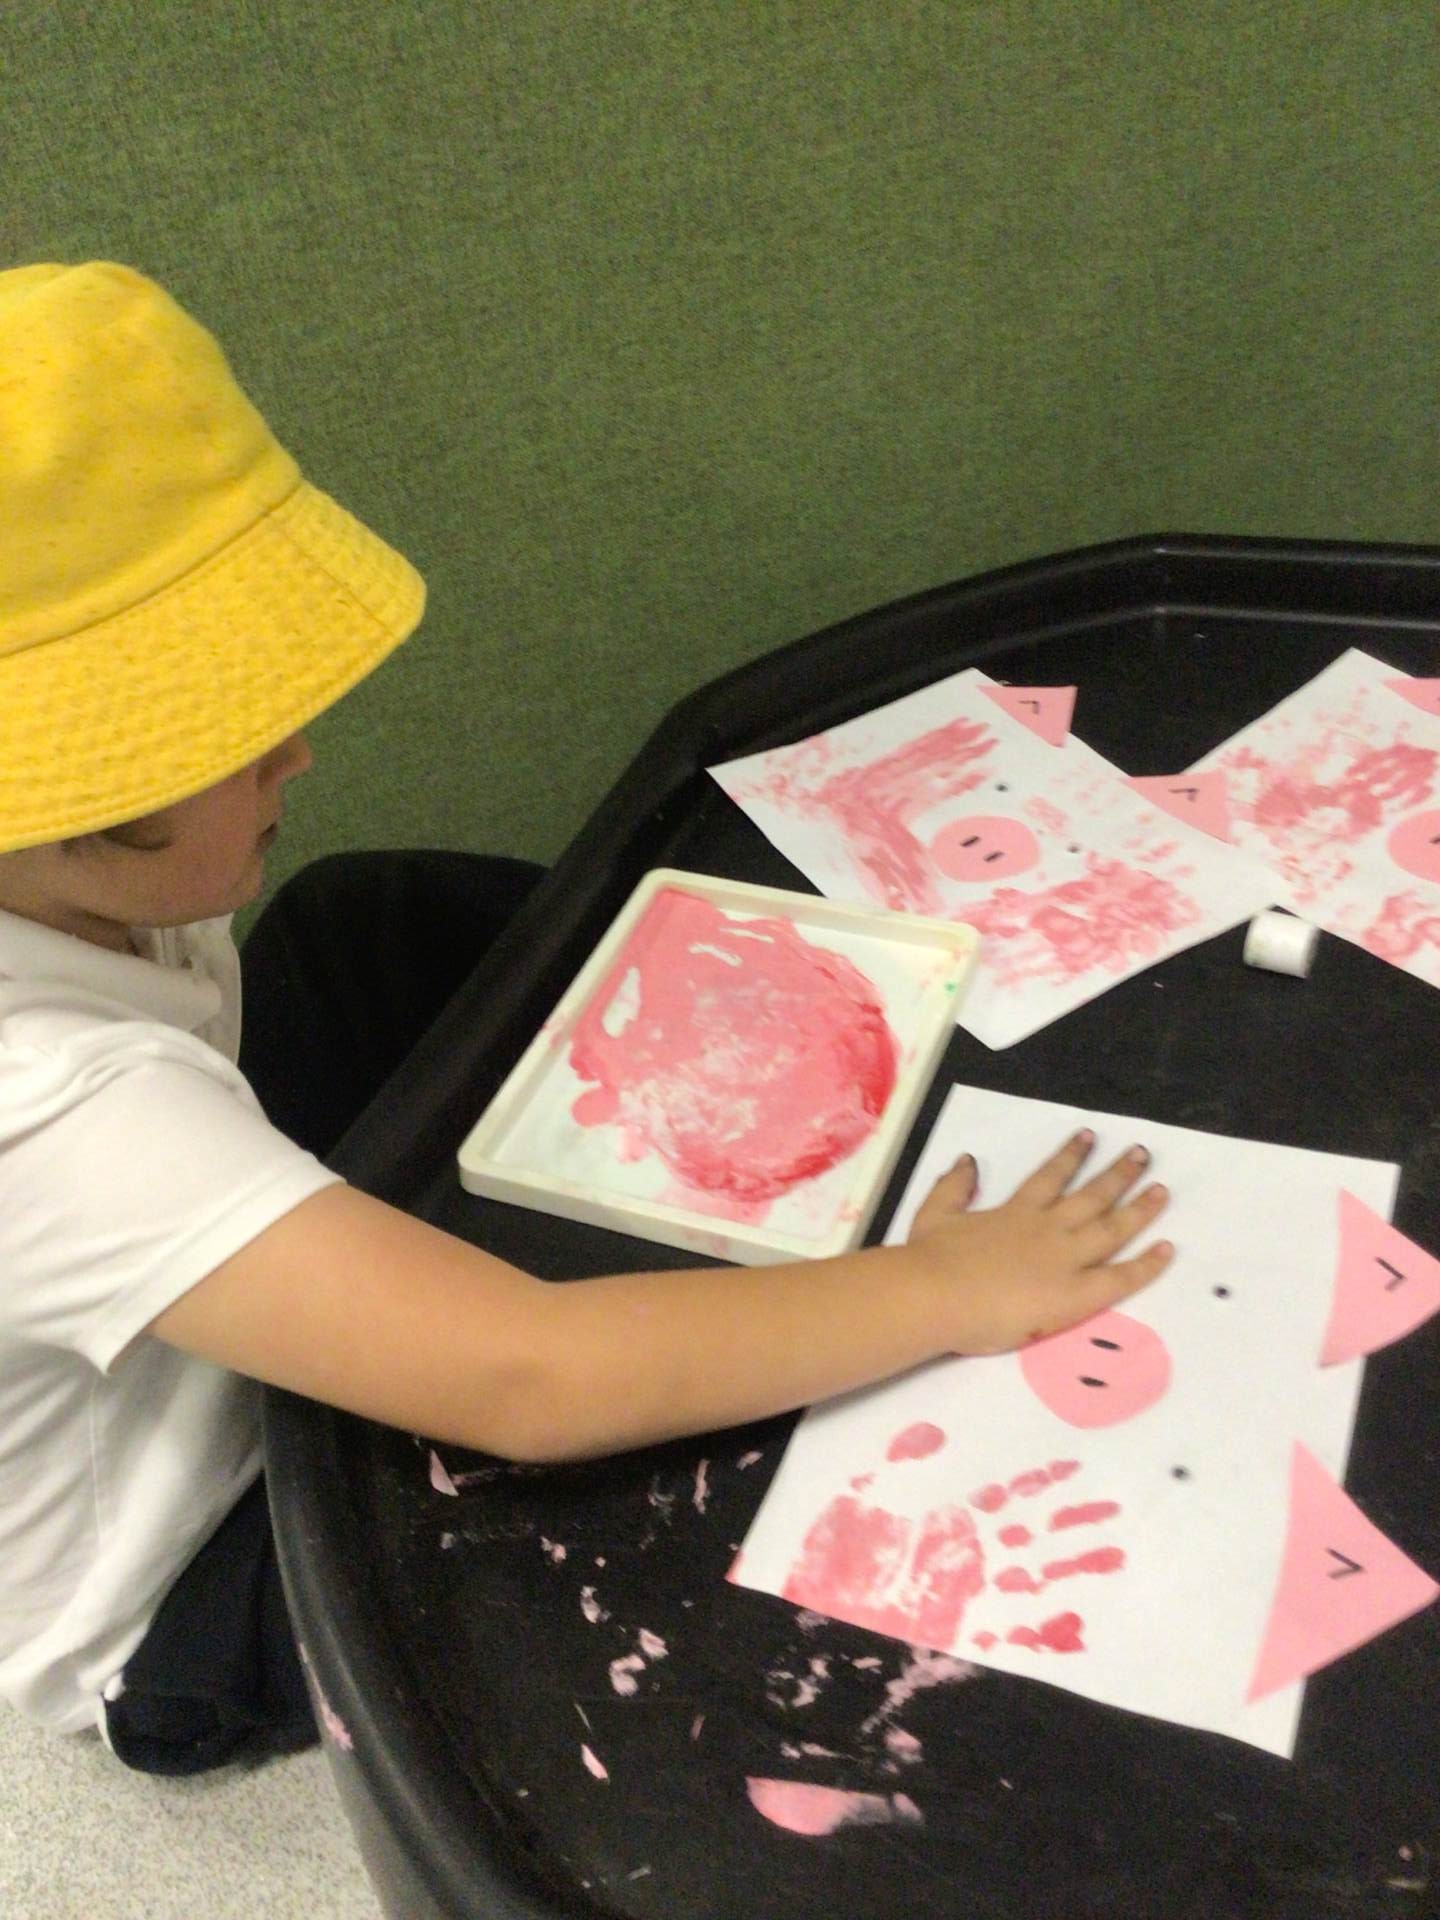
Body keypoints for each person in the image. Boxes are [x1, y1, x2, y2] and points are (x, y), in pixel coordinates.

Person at [0, 260, 1174, 1777]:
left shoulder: (71, 883)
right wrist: (943, 1288)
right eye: (223, 738)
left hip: (167, 1239)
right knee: (638, 1492)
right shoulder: (54, 1108)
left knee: (363, 913)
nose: (295, 753)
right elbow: (534, 1380)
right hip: (187, 1584)